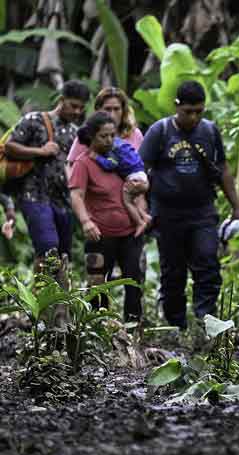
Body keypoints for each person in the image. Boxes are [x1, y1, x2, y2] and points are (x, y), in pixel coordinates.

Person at [138, 80, 239, 329]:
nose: (194, 117)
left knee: (208, 263)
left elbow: (223, 169)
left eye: (199, 111)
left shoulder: (209, 131)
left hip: (203, 211)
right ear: (177, 107)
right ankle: (176, 324)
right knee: (172, 271)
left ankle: (205, 320)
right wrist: (142, 208)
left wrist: (237, 207)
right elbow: (140, 172)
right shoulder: (160, 131)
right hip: (167, 214)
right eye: (188, 112)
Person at [4, 80, 90, 281]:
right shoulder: (34, 120)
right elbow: (10, 147)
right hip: (33, 194)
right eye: (73, 106)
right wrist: (39, 151)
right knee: (47, 247)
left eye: (81, 108)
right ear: (61, 100)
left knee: (62, 254)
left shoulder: (75, 133)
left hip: (63, 200)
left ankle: (59, 306)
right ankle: (40, 306)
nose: (77, 111)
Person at [69, 112, 146, 321]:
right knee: (97, 282)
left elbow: (135, 185)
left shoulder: (119, 157)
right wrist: (85, 222)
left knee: (134, 280)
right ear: (92, 137)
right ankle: (98, 327)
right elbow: (76, 195)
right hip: (100, 235)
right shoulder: (83, 163)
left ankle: (133, 328)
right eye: (104, 136)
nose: (110, 140)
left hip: (130, 233)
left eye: (113, 135)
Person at [68, 87, 149, 235]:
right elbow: (72, 168)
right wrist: (83, 213)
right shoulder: (89, 135)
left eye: (116, 109)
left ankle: (141, 220)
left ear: (123, 110)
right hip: (100, 215)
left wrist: (142, 202)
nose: (112, 114)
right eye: (107, 109)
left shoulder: (134, 134)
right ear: (98, 110)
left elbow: (140, 166)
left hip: (131, 208)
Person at [76, 134, 149, 236]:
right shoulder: (122, 142)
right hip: (142, 174)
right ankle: (144, 216)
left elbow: (111, 164)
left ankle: (140, 222)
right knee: (133, 200)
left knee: (127, 202)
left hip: (134, 178)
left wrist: (97, 157)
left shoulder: (112, 149)